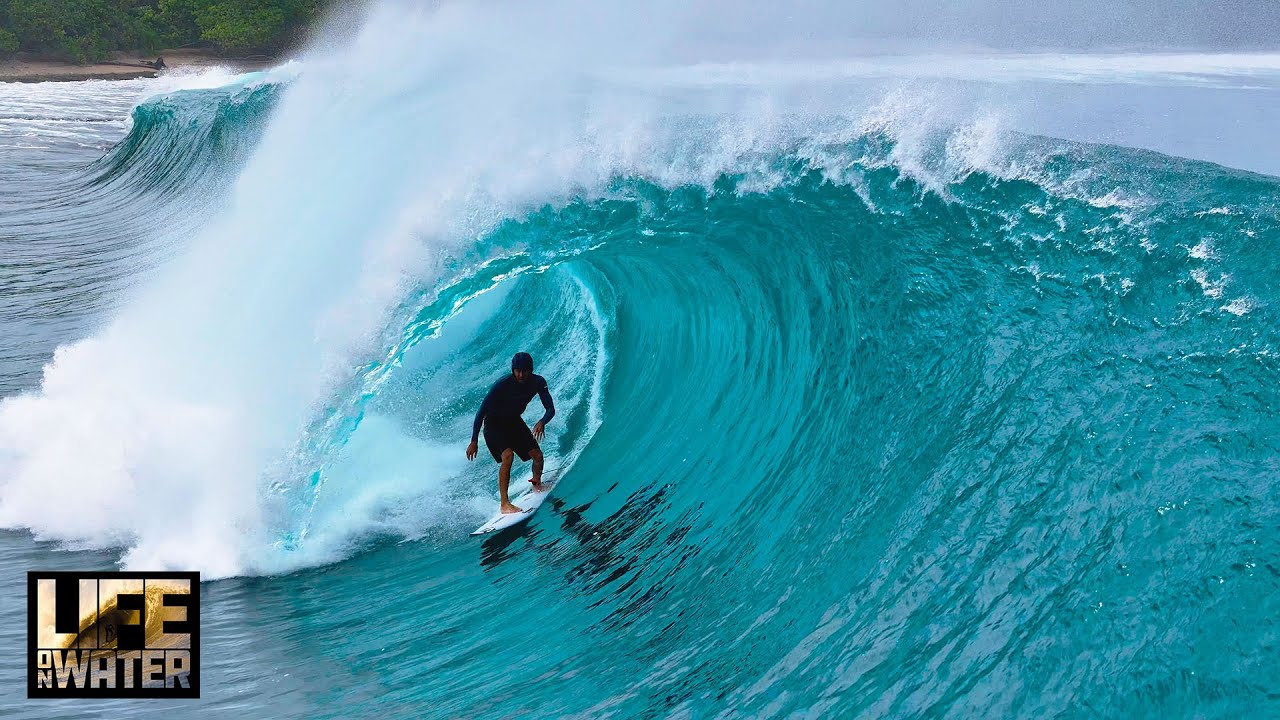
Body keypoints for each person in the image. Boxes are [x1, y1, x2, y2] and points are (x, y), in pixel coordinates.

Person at [466, 352, 555, 514]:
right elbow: (481, 412)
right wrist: (474, 441)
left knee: (538, 455)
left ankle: (537, 484)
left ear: (530, 370)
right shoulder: (502, 385)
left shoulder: (538, 382)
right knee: (508, 456)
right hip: (494, 425)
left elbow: (550, 408)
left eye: (524, 371)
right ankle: (504, 504)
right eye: (517, 371)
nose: (521, 375)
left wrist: (542, 421)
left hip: (514, 422)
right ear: (513, 370)